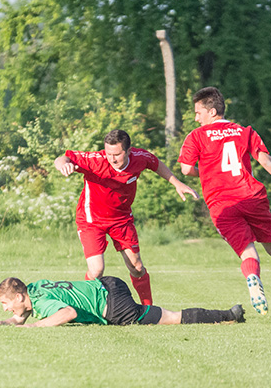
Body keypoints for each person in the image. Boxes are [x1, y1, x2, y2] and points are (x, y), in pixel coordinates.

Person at [176, 87, 271, 315]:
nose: (195, 117)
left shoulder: (196, 136)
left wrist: (211, 172)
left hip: (222, 203)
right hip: (251, 196)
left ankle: (252, 277)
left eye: (198, 112)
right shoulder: (244, 132)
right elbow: (265, 159)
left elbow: (186, 169)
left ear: (212, 112)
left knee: (247, 251)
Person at [54, 129, 199, 306]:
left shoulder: (140, 157)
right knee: (97, 269)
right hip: (92, 220)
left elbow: (156, 164)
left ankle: (148, 309)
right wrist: (63, 165)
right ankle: (88, 307)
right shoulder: (96, 161)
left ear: (128, 151)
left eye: (117, 154)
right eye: (108, 153)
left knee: (137, 267)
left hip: (121, 220)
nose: (112, 159)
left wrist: (177, 183)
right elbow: (62, 158)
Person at [0, 276, 245, 327]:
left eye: (5, 304)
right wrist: (4, 322)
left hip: (113, 306)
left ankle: (228, 316)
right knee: (170, 315)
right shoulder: (35, 287)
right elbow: (20, 317)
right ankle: (230, 314)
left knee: (171, 318)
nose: (6, 308)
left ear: (20, 297)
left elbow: (67, 313)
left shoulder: (41, 303)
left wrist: (36, 327)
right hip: (110, 283)